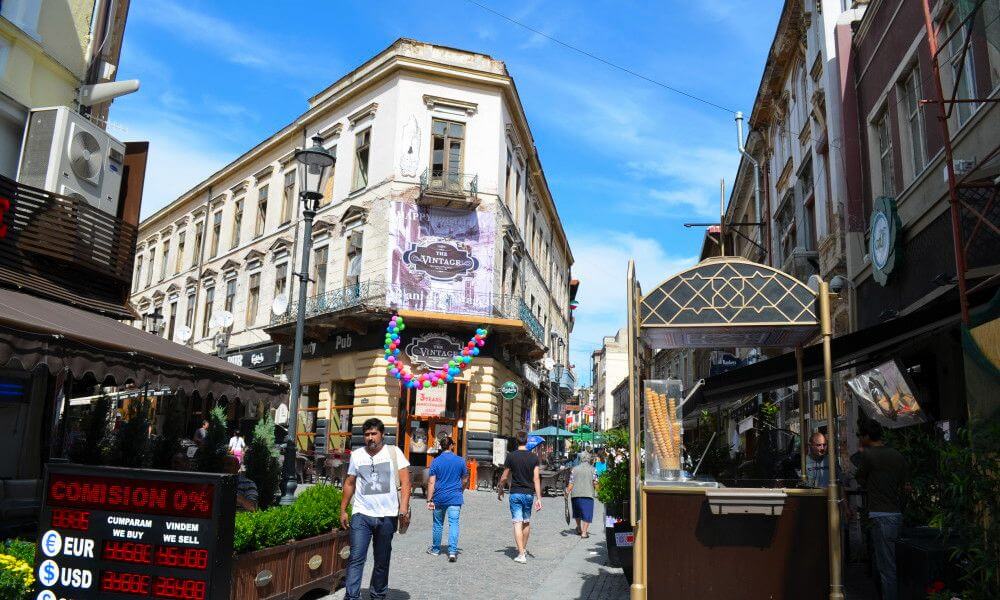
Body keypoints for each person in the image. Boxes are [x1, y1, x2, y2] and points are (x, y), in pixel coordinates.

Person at [340, 418, 411, 600]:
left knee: (382, 559)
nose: (370, 438)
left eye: (373, 434)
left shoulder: (394, 453)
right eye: (367, 434)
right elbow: (349, 483)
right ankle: (352, 596)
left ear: (382, 434)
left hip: (387, 515)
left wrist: (403, 509)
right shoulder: (357, 455)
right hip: (361, 514)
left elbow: (405, 483)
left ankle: (378, 594)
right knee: (356, 557)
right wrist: (343, 509)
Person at [852, 421, 906, 600]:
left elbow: (859, 477)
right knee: (891, 564)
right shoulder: (897, 455)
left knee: (886, 568)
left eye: (861, 435)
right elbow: (903, 483)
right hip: (895, 513)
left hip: (880, 513)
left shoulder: (869, 456)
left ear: (867, 436)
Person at [497, 430, 543, 564]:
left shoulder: (511, 456)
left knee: (517, 522)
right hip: (529, 494)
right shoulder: (534, 458)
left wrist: (500, 489)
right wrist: (539, 498)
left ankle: (521, 553)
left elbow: (504, 476)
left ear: (516, 441)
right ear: (527, 441)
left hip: (515, 493)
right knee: (526, 522)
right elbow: (536, 479)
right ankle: (523, 549)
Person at [425, 436, 468, 562]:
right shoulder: (460, 461)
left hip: (439, 497)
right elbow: (465, 479)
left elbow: (431, 482)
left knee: (438, 524)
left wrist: (429, 500)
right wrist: (461, 489)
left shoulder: (435, 461)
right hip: (455, 497)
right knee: (453, 523)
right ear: (451, 446)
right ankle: (453, 552)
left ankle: (436, 549)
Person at [566, 452, 598, 538]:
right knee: (587, 514)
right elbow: (595, 483)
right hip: (588, 494)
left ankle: (579, 528)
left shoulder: (574, 469)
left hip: (575, 494)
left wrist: (567, 492)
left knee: (577, 512)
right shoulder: (593, 469)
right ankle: (584, 532)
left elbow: (571, 482)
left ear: (581, 459)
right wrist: (599, 492)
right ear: (589, 459)